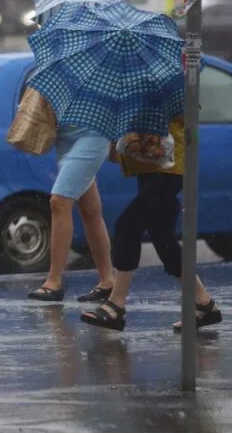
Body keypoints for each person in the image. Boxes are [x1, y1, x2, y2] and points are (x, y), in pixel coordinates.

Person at [81, 119, 222, 332]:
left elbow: (176, 118)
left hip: (168, 165)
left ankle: (116, 304)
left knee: (127, 226)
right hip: (148, 165)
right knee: (163, 238)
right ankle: (204, 303)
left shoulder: (163, 88)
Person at [27, 123, 116, 303]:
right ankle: (107, 281)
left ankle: (54, 282)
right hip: (65, 134)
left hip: (93, 133)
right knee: (89, 210)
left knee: (59, 202)